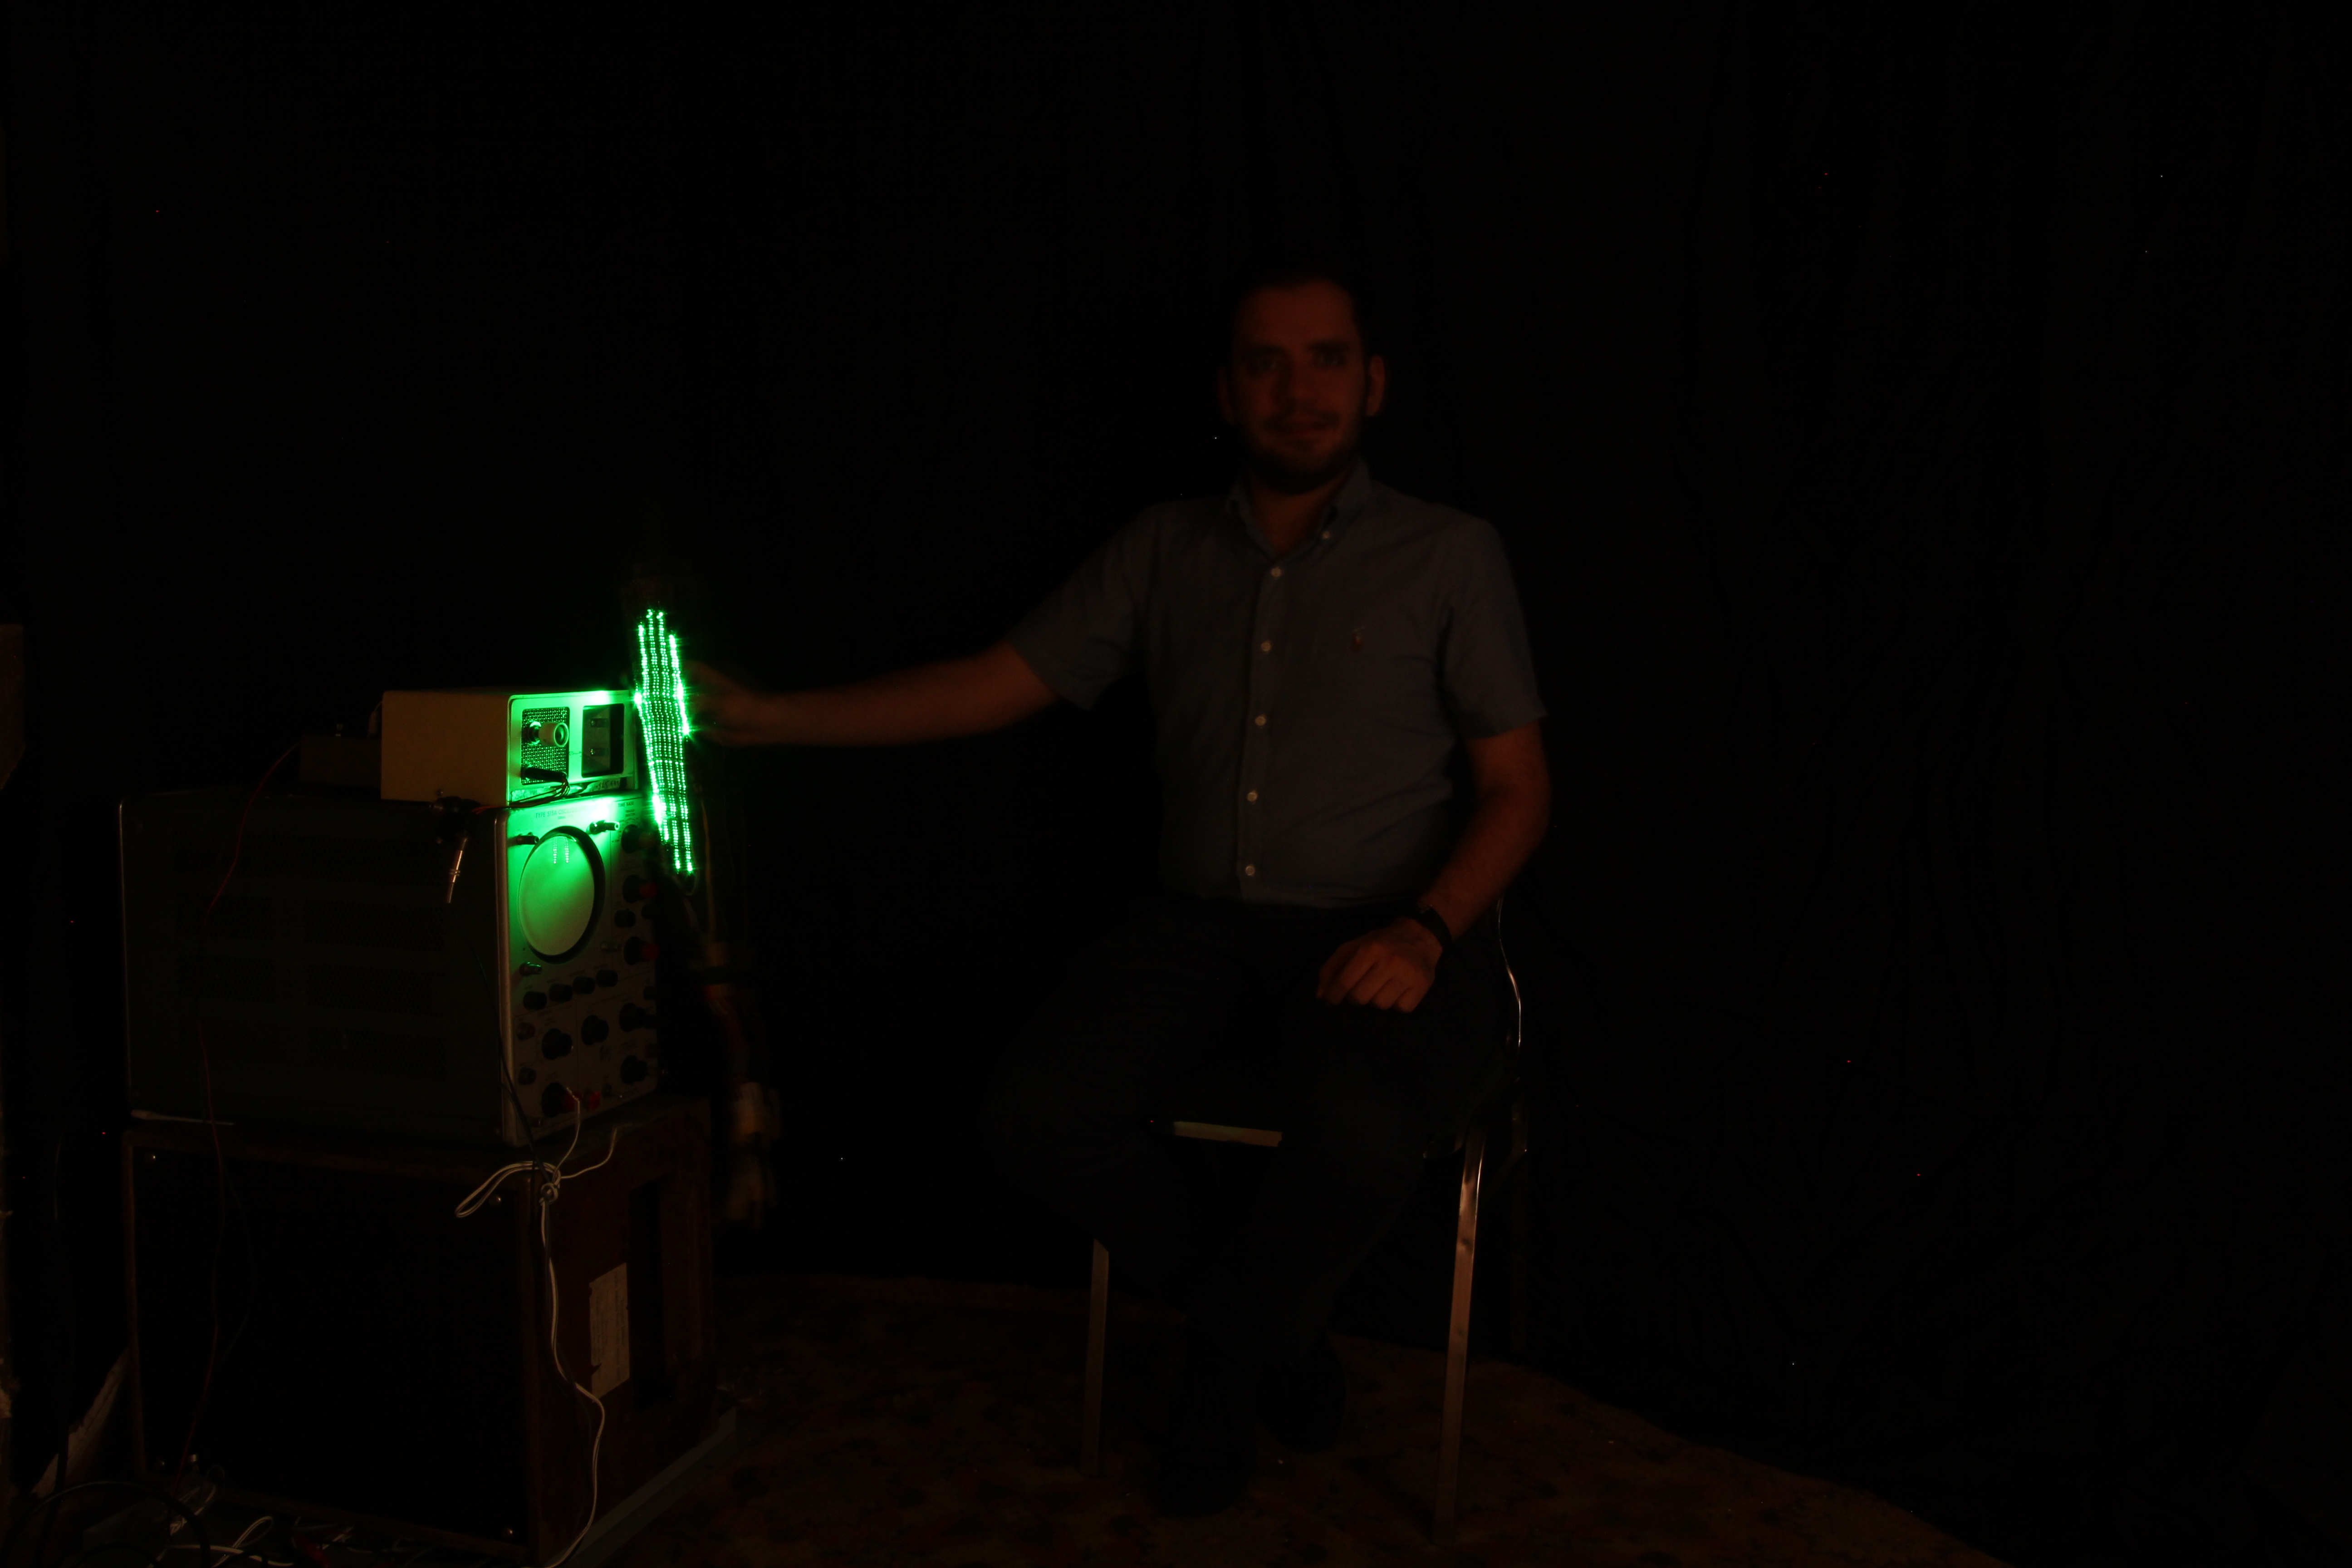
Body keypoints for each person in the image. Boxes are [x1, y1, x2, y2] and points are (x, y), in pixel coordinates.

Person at [688, 259, 1549, 1516]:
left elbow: (1520, 788)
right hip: (1200, 929)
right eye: (1265, 363)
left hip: (1389, 925)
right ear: (1226, 390)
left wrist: (1426, 932)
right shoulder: (1163, 547)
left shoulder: (1451, 553)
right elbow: (997, 683)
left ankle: (1218, 1380)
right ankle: (1273, 1341)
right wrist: (772, 720)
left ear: (1373, 383)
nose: (1297, 389)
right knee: (1033, 1114)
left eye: (1325, 359)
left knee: (1360, 1128)